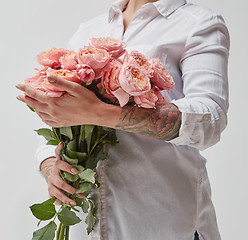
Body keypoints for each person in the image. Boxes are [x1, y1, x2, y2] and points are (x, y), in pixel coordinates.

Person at [16, 0, 230, 239]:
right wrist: (50, 168)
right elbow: (57, 117)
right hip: (88, 227)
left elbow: (210, 119)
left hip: (163, 222)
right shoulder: (89, 30)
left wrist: (96, 113)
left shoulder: (197, 23)